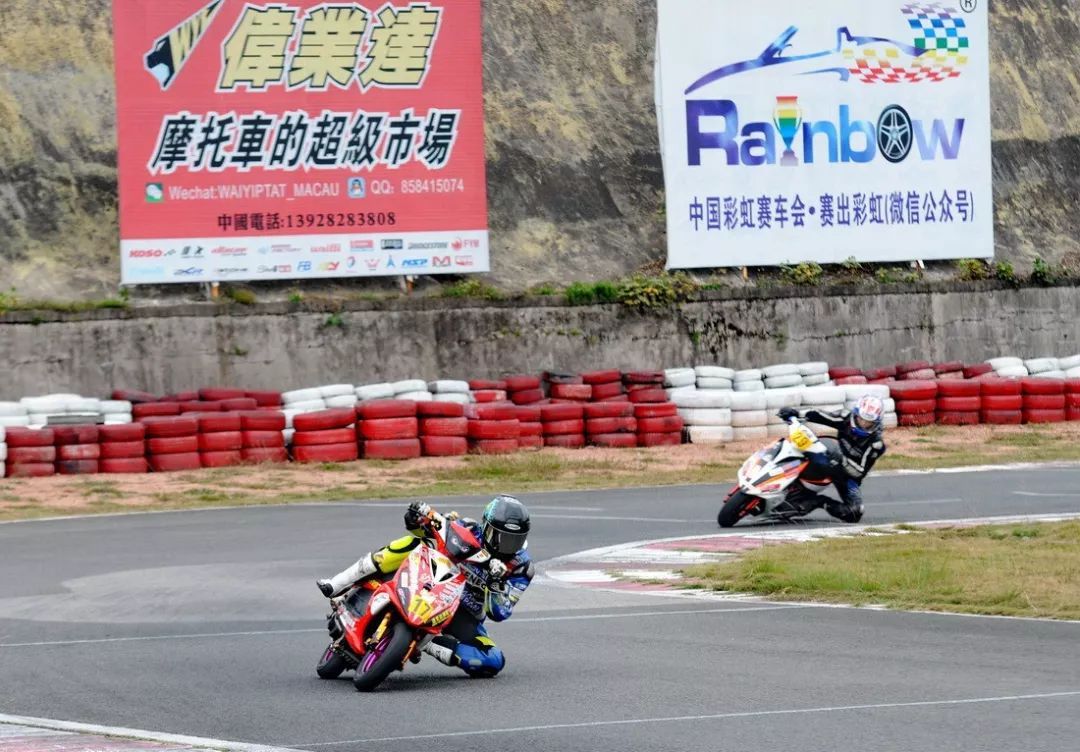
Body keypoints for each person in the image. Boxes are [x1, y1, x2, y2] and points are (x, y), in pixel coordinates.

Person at [317, 495, 533, 678]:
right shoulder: (467, 527)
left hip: (463, 612)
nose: (506, 546)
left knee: (493, 660)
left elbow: (500, 612)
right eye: (500, 537)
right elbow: (429, 532)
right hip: (428, 581)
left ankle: (430, 643)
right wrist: (416, 520)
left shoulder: (521, 568)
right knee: (410, 544)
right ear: (486, 526)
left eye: (514, 540)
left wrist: (495, 585)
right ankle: (339, 584)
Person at [777, 394, 886, 523]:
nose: (863, 424)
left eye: (869, 423)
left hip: (847, 475)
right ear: (856, 414)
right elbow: (820, 415)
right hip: (829, 457)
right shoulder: (845, 418)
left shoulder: (876, 444)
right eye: (861, 419)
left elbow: (860, 472)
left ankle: (819, 502)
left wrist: (842, 460)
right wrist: (796, 413)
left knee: (855, 513)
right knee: (803, 449)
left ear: (876, 423)